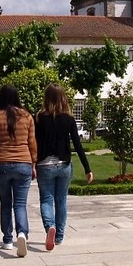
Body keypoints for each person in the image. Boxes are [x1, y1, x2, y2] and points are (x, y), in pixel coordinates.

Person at [35, 84, 94, 250]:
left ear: (46, 98)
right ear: (63, 98)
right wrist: (87, 168)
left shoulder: (39, 118)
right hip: (64, 165)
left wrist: (32, 163)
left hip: (44, 164)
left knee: (46, 200)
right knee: (61, 200)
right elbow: (77, 145)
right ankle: (59, 235)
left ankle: (50, 227)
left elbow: (34, 144)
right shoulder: (69, 119)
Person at [0, 85, 36, 257]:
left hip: (1, 164)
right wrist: (33, 164)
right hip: (23, 163)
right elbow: (32, 143)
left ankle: (7, 239)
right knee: (20, 204)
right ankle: (22, 233)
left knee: (5, 203)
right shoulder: (27, 116)